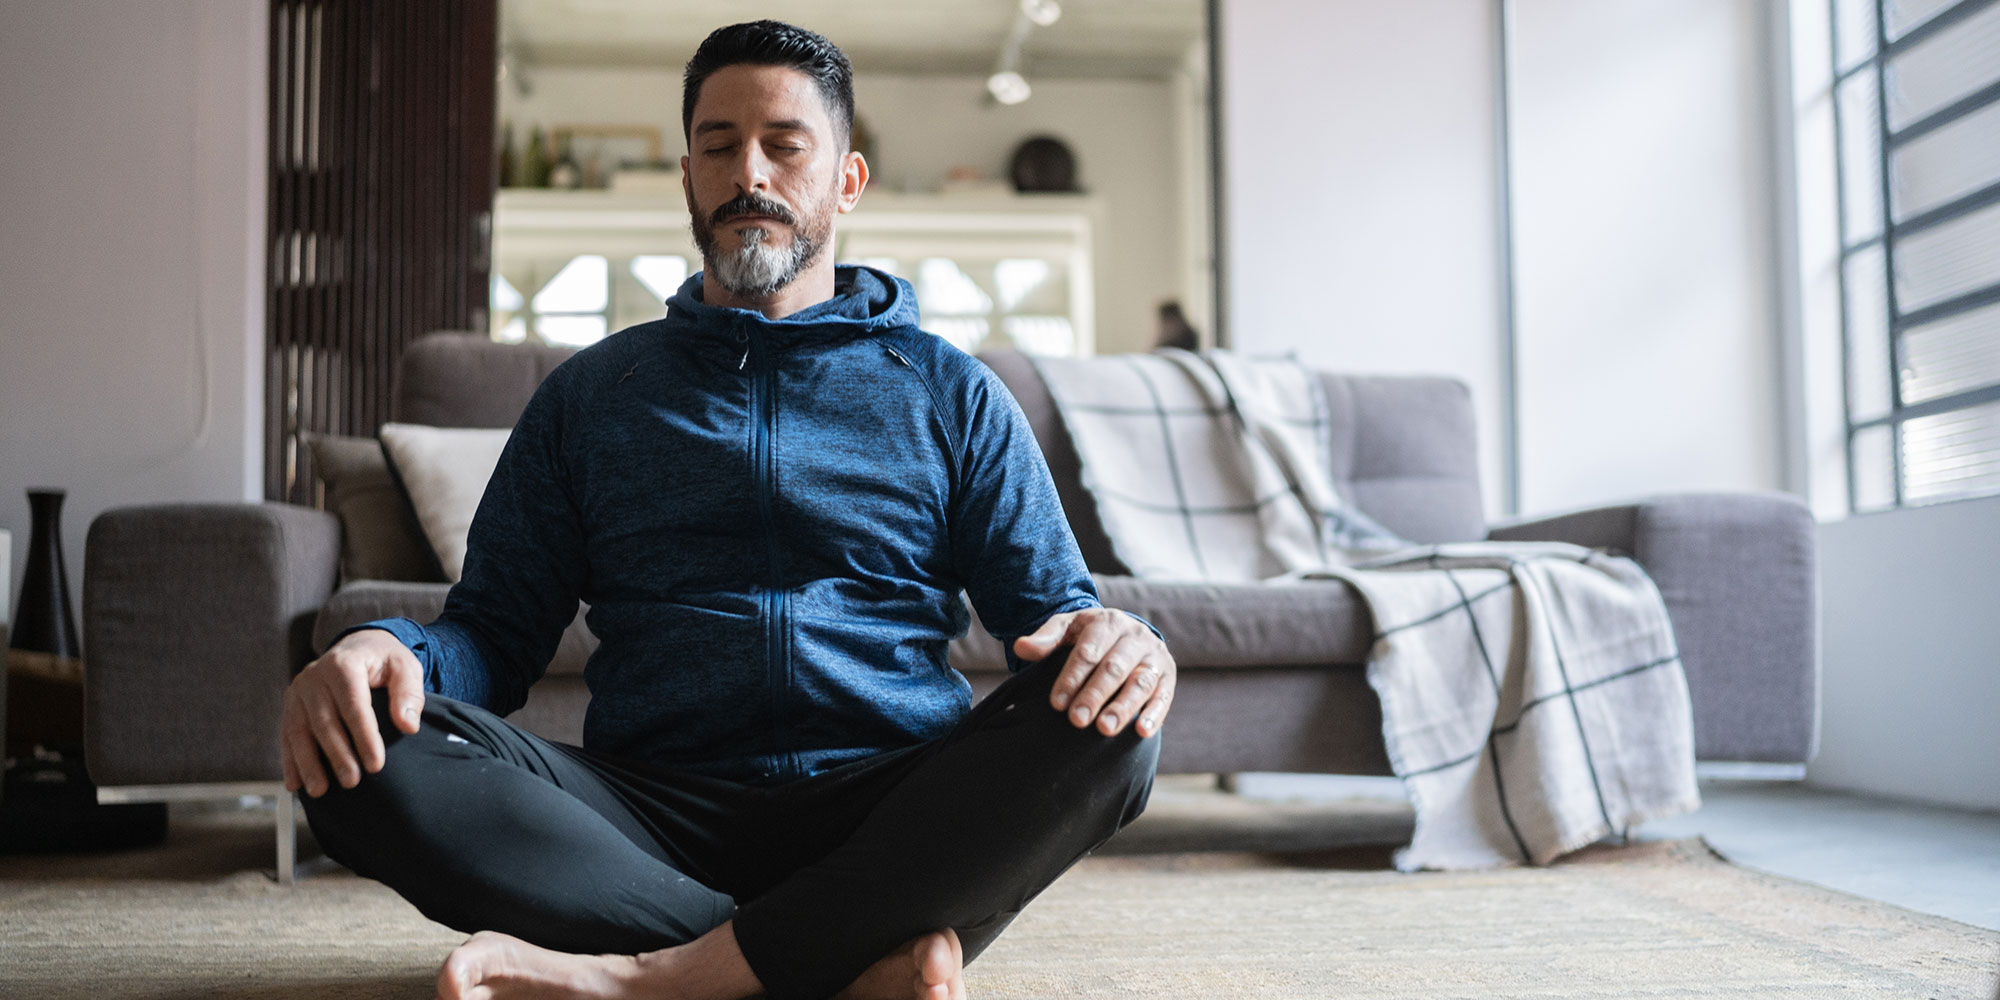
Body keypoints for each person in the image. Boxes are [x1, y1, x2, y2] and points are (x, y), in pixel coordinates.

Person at [283, 20, 1176, 1000]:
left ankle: (660, 973)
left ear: (845, 180)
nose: (748, 172)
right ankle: (834, 955)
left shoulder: (949, 393)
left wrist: (1120, 639)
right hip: (647, 808)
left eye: (784, 144)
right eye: (718, 145)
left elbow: (1052, 619)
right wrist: (390, 654)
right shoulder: (592, 397)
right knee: (358, 747)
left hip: (884, 796)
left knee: (1116, 720)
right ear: (687, 179)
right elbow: (491, 638)